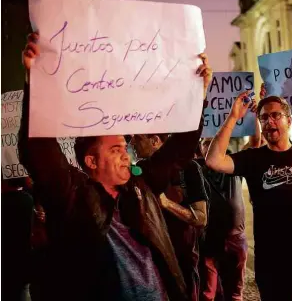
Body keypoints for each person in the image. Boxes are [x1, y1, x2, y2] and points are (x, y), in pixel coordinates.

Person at [19, 32, 212, 301]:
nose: (126, 155)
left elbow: (179, 150)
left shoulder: (141, 184)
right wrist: (36, 82)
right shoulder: (71, 194)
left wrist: (197, 95)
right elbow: (39, 151)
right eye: (115, 149)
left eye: (125, 147)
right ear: (91, 161)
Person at [205, 91, 292, 301]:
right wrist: (232, 118)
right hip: (271, 261)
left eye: (276, 115)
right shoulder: (252, 158)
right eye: (264, 117)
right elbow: (213, 160)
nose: (269, 121)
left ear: (289, 121)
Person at [131, 134, 209, 301]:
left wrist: (167, 204)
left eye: (137, 138)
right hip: (152, 255)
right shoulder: (139, 170)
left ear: (155, 140)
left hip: (183, 256)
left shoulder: (189, 169)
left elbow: (201, 219)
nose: (132, 143)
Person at [197, 138, 247, 301]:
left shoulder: (234, 164)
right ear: (200, 149)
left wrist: (254, 117)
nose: (210, 146)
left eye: (214, 141)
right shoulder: (197, 170)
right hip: (211, 238)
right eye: (206, 143)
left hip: (235, 237)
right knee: (209, 293)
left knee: (236, 291)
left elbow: (255, 141)